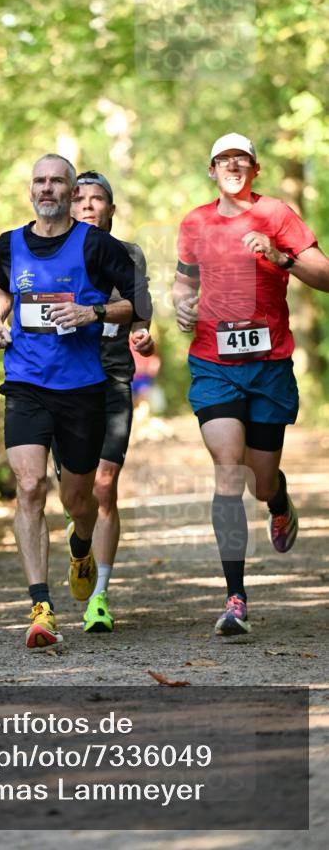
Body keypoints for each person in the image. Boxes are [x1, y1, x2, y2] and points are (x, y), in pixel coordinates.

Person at [0, 154, 152, 649]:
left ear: (70, 189)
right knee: (31, 484)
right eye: (40, 181)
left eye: (58, 181)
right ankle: (41, 608)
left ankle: (82, 546)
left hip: (82, 388)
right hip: (26, 383)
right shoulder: (9, 243)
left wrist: (92, 310)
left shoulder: (96, 244)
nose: (48, 189)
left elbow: (137, 301)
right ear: (30, 189)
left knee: (81, 500)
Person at [172, 132, 329, 637]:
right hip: (213, 363)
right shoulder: (194, 222)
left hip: (269, 366)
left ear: (254, 169)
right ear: (212, 170)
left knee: (261, 481)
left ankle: (279, 502)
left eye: (242, 159)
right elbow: (184, 280)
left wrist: (282, 257)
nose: (233, 166)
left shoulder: (278, 214)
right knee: (226, 468)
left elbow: (324, 276)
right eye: (223, 160)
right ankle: (234, 597)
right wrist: (180, 304)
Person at [53, 171, 155, 633]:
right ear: (69, 207)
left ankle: (100, 597)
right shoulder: (46, 249)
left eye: (99, 199)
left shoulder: (128, 255)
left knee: (104, 486)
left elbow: (140, 311)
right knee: (75, 498)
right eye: (81, 198)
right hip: (61, 385)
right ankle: (80, 545)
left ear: (111, 209)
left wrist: (142, 335)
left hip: (113, 379)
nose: (89, 205)